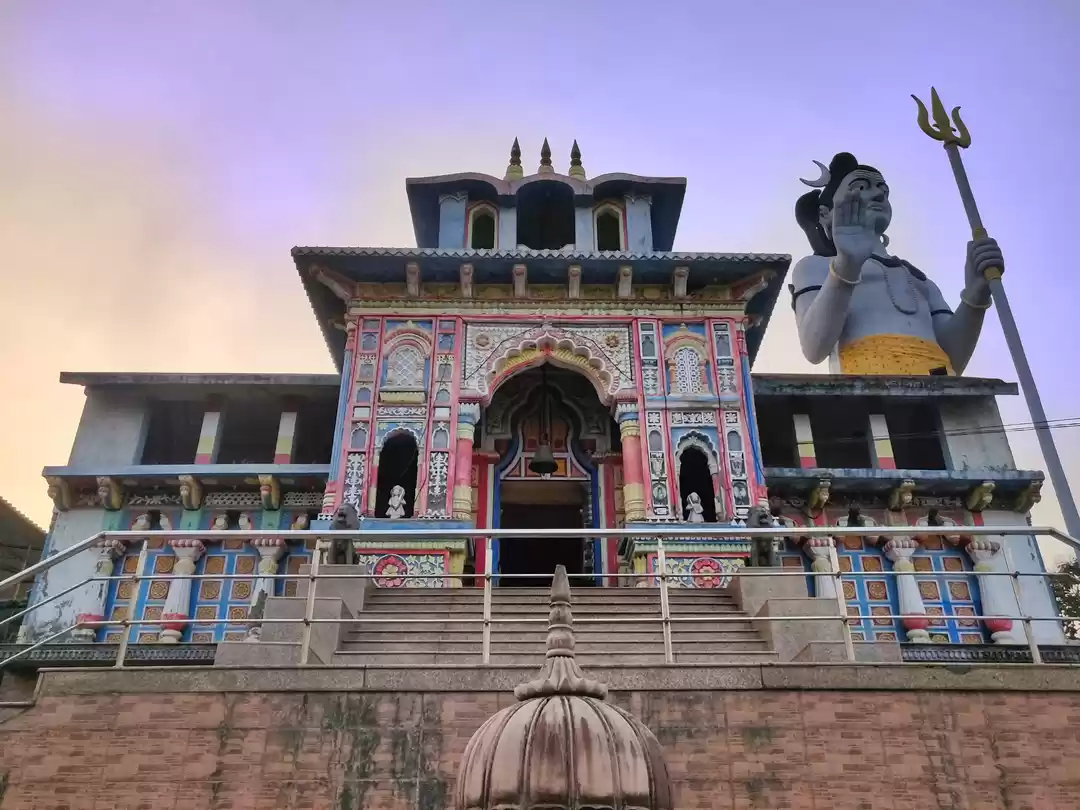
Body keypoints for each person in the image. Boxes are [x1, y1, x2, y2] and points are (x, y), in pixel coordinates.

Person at [791, 152, 1004, 375]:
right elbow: (814, 348)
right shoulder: (815, 266)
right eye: (861, 188)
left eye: (884, 191)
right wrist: (847, 266)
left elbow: (952, 359)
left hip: (942, 390)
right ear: (825, 214)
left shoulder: (918, 278)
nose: (878, 196)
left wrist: (975, 296)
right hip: (869, 392)